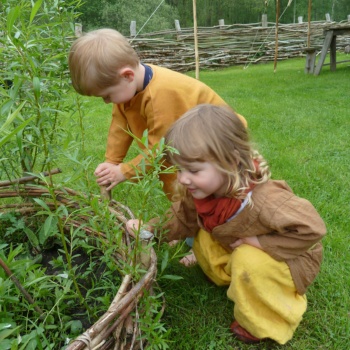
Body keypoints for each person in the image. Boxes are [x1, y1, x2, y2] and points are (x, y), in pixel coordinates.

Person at [126, 104, 326, 345]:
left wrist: (258, 242)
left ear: (230, 162)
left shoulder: (265, 200)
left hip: (288, 259)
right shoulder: (203, 190)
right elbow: (182, 217)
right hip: (236, 243)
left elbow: (312, 228)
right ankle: (228, 276)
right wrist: (149, 230)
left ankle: (266, 320)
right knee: (204, 236)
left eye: (193, 170)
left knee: (248, 261)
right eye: (179, 169)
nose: (183, 178)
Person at [68, 28, 247, 200]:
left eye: (107, 95)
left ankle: (191, 216)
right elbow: (120, 126)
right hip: (195, 143)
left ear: (127, 76)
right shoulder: (128, 89)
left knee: (214, 190)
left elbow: (160, 150)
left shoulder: (160, 95)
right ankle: (187, 215)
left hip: (223, 144)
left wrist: (124, 172)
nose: (106, 101)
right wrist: (112, 161)